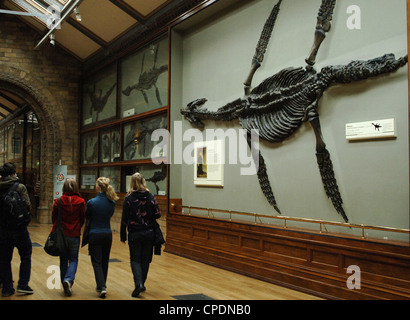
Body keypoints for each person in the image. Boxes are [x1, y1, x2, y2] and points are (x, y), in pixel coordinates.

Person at [120, 172, 161, 298]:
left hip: (135, 233)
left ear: (132, 182)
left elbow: (124, 219)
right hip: (149, 232)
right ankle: (142, 282)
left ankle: (138, 283)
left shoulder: (129, 198)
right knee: (145, 259)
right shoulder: (150, 197)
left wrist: (123, 235)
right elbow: (158, 214)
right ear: (144, 182)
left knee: (135, 259)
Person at [0, 162, 33, 297]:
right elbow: (28, 206)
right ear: (14, 173)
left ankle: (7, 288)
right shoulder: (20, 187)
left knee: (4, 258)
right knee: (25, 255)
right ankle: (23, 285)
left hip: (2, 229)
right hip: (19, 229)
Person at [84, 177, 118, 298]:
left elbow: (87, 216)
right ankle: (102, 284)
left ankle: (102, 286)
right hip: (107, 233)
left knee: (96, 261)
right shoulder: (112, 202)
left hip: (95, 233)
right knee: (105, 260)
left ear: (98, 187)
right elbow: (109, 215)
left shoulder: (91, 202)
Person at [51, 178, 85, 297]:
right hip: (74, 234)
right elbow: (82, 218)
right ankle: (69, 279)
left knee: (63, 260)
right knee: (74, 259)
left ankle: (64, 282)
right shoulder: (81, 201)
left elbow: (54, 217)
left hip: (62, 234)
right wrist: (77, 227)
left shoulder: (58, 201)